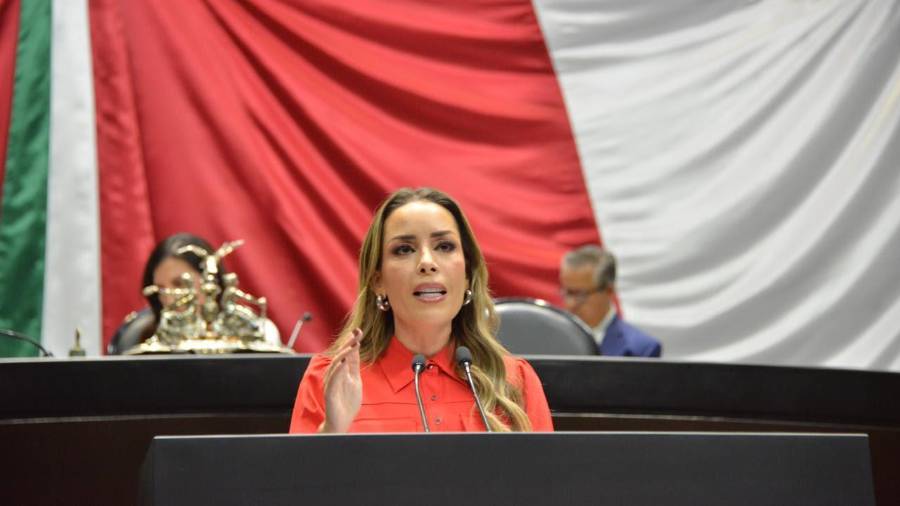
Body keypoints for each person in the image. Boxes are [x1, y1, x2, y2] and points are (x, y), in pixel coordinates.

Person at [289, 188, 553, 433]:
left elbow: (549, 482)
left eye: (444, 246)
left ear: (467, 274)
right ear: (378, 280)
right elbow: (296, 483)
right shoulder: (329, 378)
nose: (427, 262)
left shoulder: (516, 380)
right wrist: (332, 431)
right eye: (404, 249)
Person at [108, 233, 279, 353]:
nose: (169, 297)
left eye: (180, 284)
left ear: (210, 279)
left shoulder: (255, 331)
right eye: (160, 288)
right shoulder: (138, 337)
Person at [559, 245, 661, 357]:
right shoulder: (553, 341)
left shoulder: (640, 349)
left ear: (608, 291)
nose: (571, 303)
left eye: (580, 294)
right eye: (568, 292)